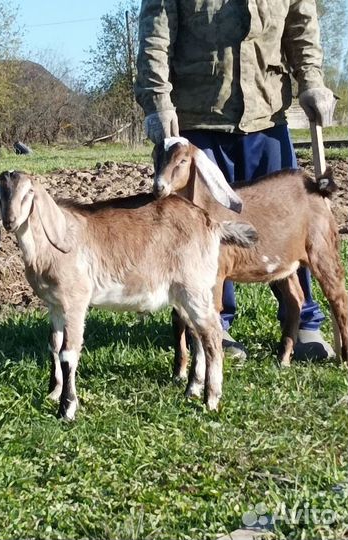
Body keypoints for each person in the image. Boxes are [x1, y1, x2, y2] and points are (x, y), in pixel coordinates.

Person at [135, 0, 336, 360]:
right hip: (199, 117)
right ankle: (214, 323)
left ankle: (304, 323)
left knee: (289, 226)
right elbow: (156, 33)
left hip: (267, 114)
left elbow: (301, 23)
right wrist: (156, 103)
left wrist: (313, 81)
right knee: (202, 235)